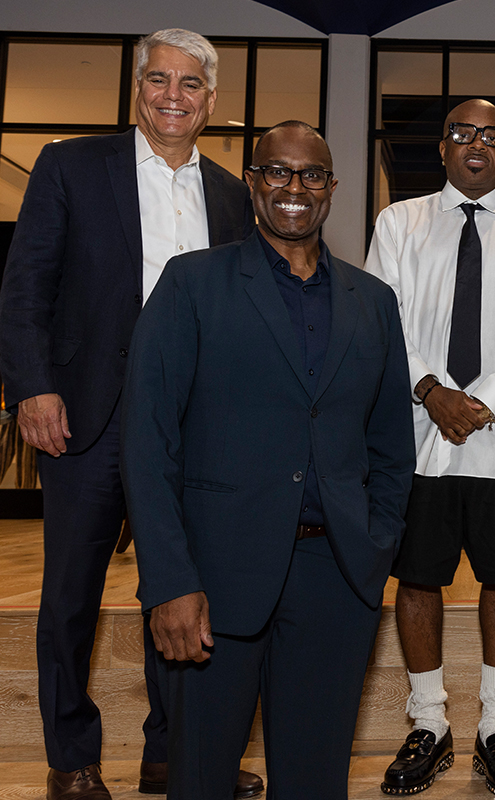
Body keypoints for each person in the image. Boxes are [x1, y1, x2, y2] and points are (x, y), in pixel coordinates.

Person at [0, 29, 260, 800]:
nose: (172, 95)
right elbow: (25, 289)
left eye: (189, 84)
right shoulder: (71, 166)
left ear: (210, 101)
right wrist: (32, 388)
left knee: (181, 585)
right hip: (87, 413)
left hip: (195, 422)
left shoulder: (232, 195)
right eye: (157, 80)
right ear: (137, 89)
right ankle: (71, 757)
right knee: (71, 592)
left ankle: (171, 754)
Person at [121, 121, 415, 799]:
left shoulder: (372, 302)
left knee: (316, 782)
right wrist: (167, 580)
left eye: (310, 174)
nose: (293, 187)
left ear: (331, 188)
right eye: (277, 172)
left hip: (335, 576)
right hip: (212, 579)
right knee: (199, 779)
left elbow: (391, 446)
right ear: (254, 182)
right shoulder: (193, 283)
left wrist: (376, 545)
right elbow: (147, 438)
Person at [364, 99, 495, 798]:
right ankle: (428, 722)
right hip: (418, 438)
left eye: (491, 135)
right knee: (417, 579)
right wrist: (431, 390)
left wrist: (487, 400)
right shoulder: (399, 222)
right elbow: (380, 314)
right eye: (461, 132)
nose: (475, 144)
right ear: (442, 147)